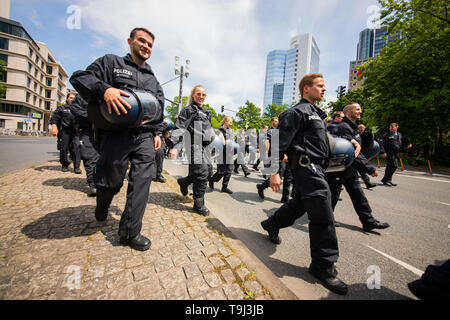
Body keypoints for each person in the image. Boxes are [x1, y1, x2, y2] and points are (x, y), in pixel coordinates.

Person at [70, 27, 164, 251]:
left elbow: (159, 108)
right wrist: (104, 90)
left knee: (142, 181)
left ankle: (130, 233)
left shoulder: (153, 79)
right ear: (130, 41)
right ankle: (102, 204)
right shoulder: (111, 63)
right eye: (141, 41)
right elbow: (79, 77)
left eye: (150, 44)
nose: (145, 47)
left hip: (144, 137)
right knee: (111, 181)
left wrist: (158, 132)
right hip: (116, 134)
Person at [260, 73, 348, 295]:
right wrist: (273, 173)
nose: (324, 89)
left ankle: (272, 223)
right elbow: (278, 143)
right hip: (305, 167)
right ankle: (322, 266)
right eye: (320, 86)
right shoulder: (296, 112)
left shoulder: (316, 114)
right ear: (306, 89)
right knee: (323, 214)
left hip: (317, 168)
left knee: (298, 205)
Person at [325, 102, 390, 232]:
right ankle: (326, 219)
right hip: (338, 168)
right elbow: (353, 152)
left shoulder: (351, 127)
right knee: (333, 194)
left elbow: (357, 150)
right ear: (348, 112)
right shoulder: (344, 127)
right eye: (357, 109)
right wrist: (369, 168)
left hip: (348, 168)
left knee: (357, 194)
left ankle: (368, 221)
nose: (360, 111)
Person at [172, 85, 215, 216]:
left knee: (207, 173)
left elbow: (209, 131)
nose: (201, 97)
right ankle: (198, 204)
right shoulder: (188, 110)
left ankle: (183, 182)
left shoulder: (207, 112)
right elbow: (180, 127)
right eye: (198, 94)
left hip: (205, 147)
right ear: (193, 95)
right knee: (201, 175)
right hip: (194, 146)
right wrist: (174, 146)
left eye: (203, 95)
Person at [68, 93, 100, 197]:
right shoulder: (82, 94)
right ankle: (93, 184)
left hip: (106, 130)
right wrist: (91, 115)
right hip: (87, 129)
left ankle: (104, 181)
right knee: (90, 156)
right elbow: (74, 108)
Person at [257, 117, 292, 202]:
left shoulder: (283, 130)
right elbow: (267, 143)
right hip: (276, 156)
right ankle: (261, 187)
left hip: (288, 156)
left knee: (289, 177)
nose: (277, 122)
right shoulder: (270, 132)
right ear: (271, 122)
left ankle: (285, 198)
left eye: (278, 121)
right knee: (278, 175)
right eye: (275, 121)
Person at [49, 92, 82, 174]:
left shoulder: (80, 109)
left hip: (76, 132)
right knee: (63, 149)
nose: (72, 99)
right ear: (67, 99)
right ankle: (64, 164)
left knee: (76, 149)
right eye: (71, 97)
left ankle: (77, 167)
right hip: (64, 131)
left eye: (74, 98)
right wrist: (54, 127)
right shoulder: (61, 108)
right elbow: (54, 118)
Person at [209, 116, 234, 194]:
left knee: (229, 170)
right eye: (230, 122)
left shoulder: (230, 131)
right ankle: (212, 179)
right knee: (221, 172)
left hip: (229, 153)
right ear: (225, 121)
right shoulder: (219, 131)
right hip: (221, 153)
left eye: (231, 122)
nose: (231, 124)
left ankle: (224, 187)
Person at [356, 124, 376, 189]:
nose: (361, 128)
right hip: (356, 153)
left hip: (363, 154)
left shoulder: (367, 136)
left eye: (362, 127)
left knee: (360, 169)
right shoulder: (355, 134)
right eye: (360, 127)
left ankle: (367, 183)